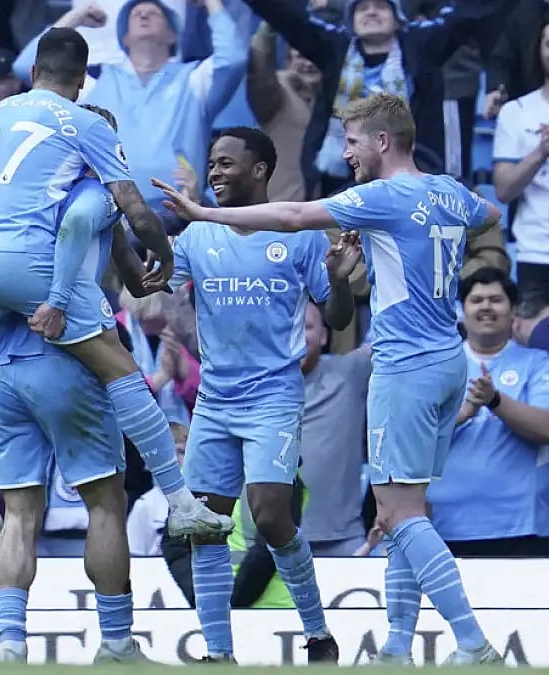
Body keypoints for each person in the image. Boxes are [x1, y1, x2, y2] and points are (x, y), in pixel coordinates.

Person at [154, 91, 505, 665]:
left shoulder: (383, 195)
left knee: (399, 515)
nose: (346, 154)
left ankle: (472, 642)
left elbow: (295, 217)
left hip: (406, 365)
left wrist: (206, 213)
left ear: (383, 141)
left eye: (353, 142)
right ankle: (396, 648)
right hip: (449, 358)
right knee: (401, 510)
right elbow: (491, 213)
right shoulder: (445, 191)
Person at [0, 28, 229, 550]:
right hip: (30, 270)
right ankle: (180, 503)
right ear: (81, 81)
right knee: (121, 371)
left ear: (33, 73)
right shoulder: (83, 128)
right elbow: (134, 213)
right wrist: (164, 254)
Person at [160, 128, 358, 664]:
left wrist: (340, 281)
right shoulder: (197, 235)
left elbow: (339, 318)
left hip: (273, 395)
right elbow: (146, 285)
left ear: (261, 169)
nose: (215, 171)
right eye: (212, 163)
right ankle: (218, 653)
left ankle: (318, 633)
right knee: (206, 526)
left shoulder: (299, 233)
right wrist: (117, 229)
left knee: (270, 514)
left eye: (226, 163)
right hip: (215, 400)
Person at [0, 172, 158, 664]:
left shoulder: (3, 195)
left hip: (3, 358)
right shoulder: (93, 195)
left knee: (18, 513)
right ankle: (117, 643)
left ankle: (10, 644)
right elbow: (137, 280)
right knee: (105, 505)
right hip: (70, 351)